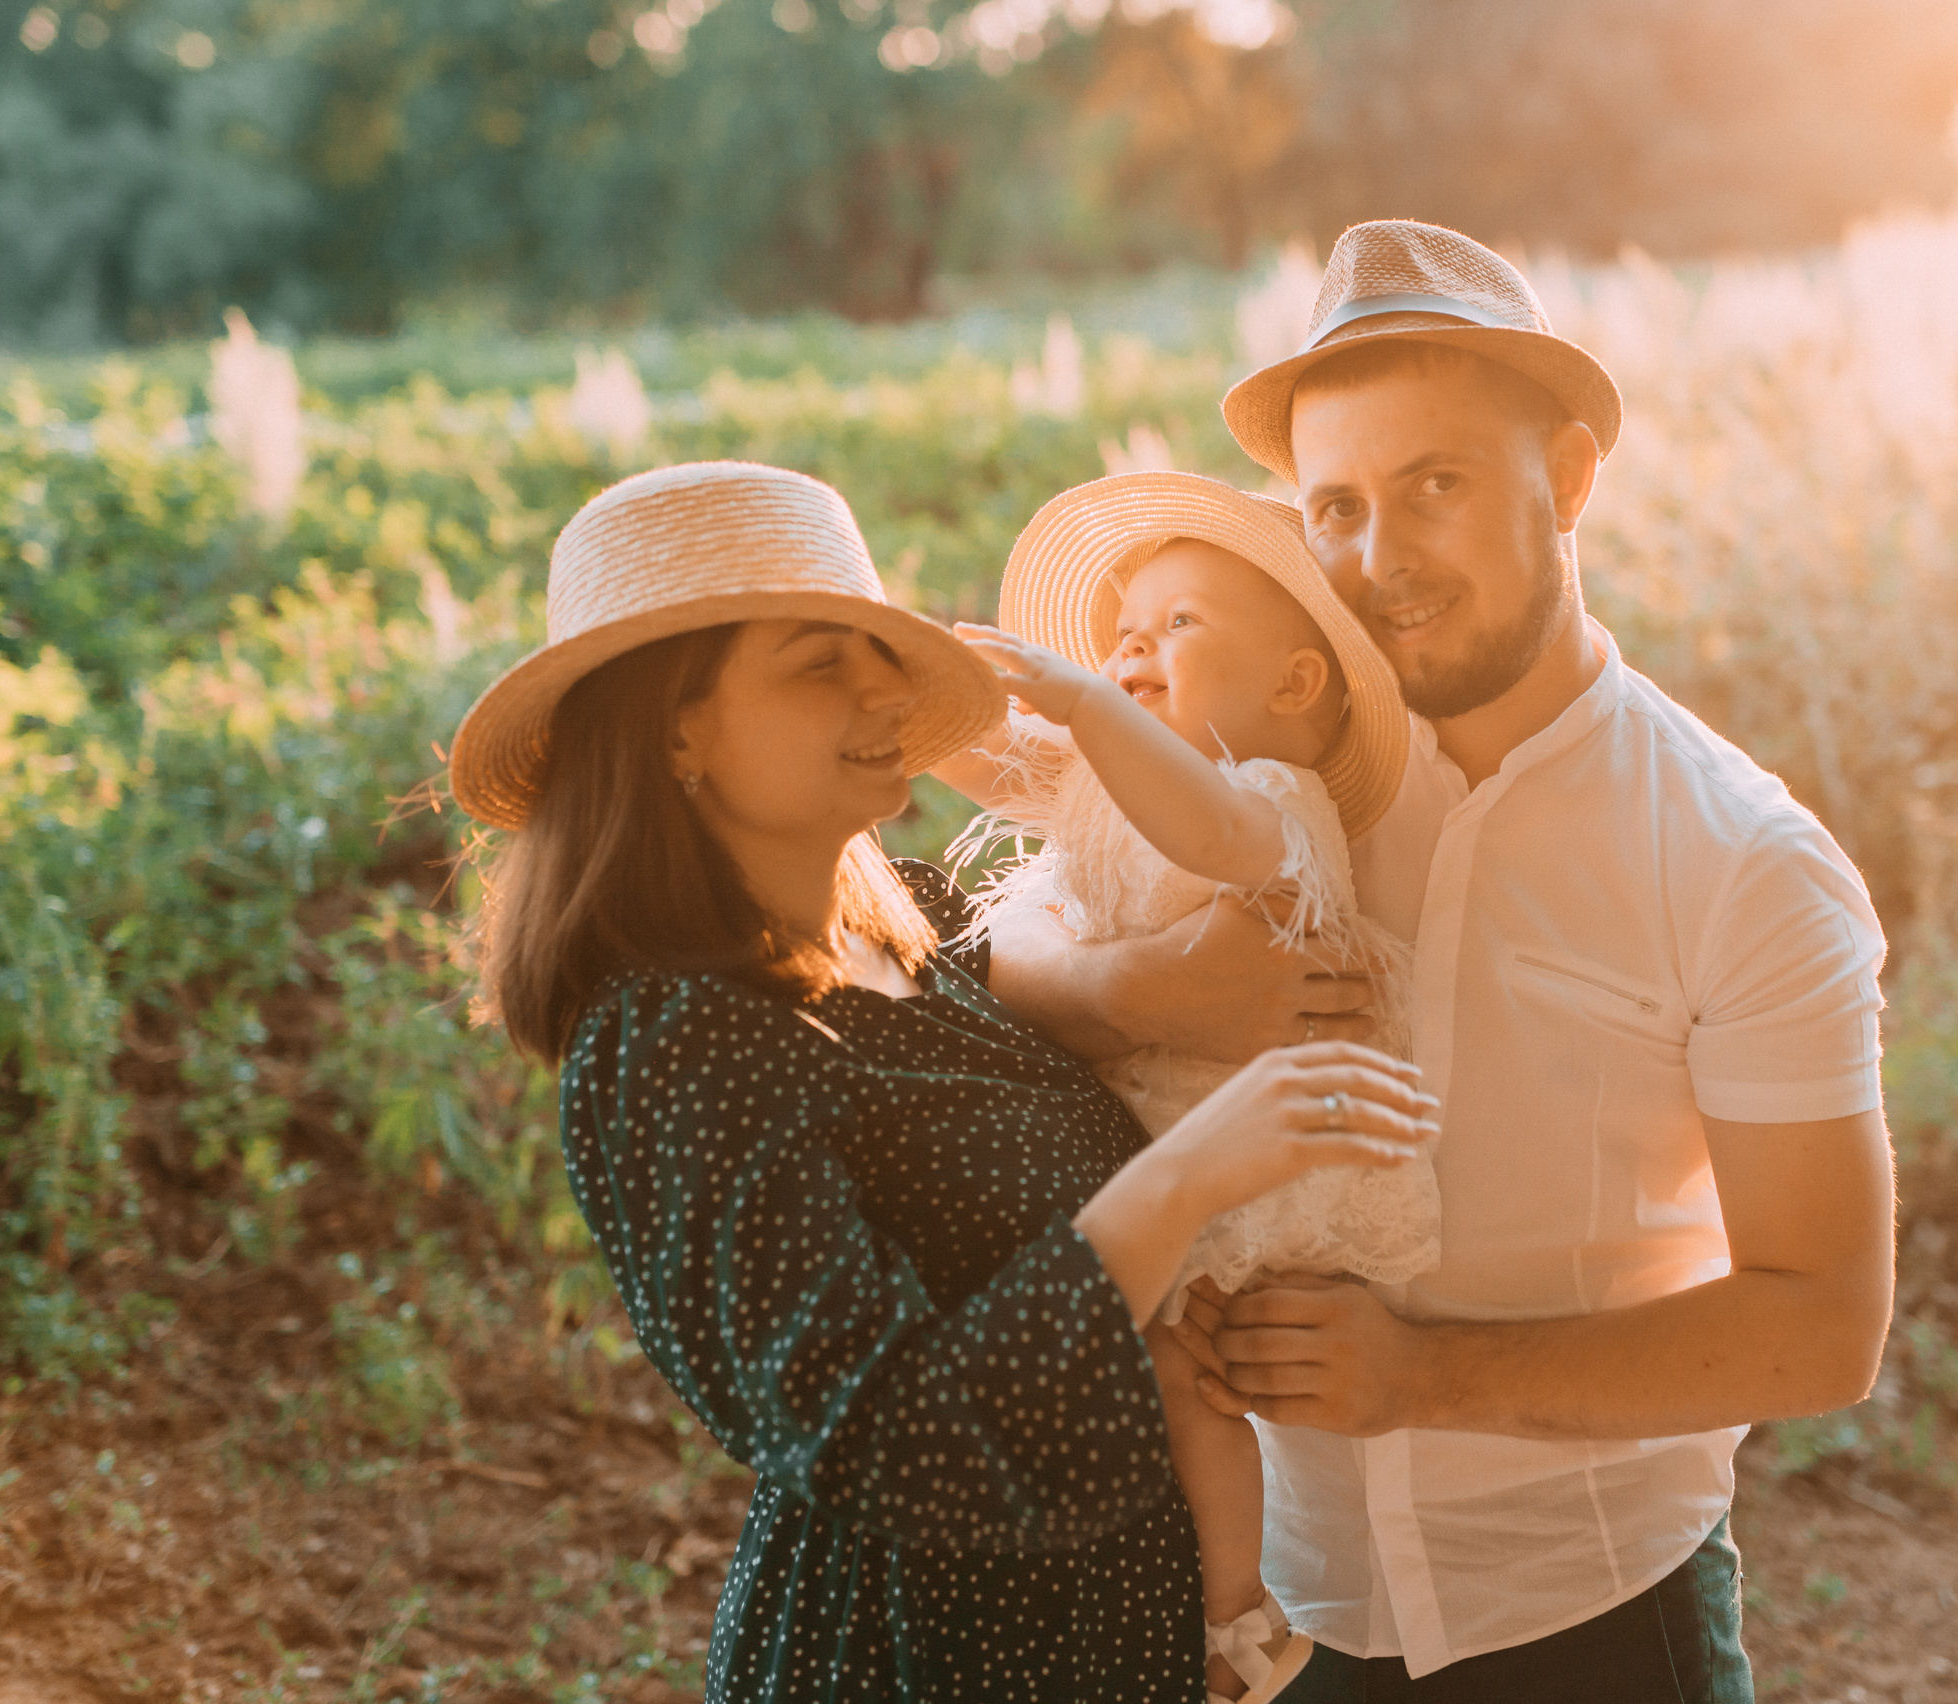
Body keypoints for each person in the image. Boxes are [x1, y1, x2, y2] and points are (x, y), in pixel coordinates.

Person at [989, 223, 1898, 1702]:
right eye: (1334, 506)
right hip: (1283, 1619)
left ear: (1573, 477)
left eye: (1436, 487)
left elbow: (1821, 1325)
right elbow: (1019, 927)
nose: (1379, 558)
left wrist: (1426, 1380)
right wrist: (1138, 995)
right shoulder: (1279, 767)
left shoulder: (1742, 857)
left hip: (1595, 1620)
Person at [444, 459, 1441, 1704]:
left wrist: (1150, 992)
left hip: (1115, 1638)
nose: (888, 690)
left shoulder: (919, 924)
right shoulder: (676, 1046)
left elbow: (1045, 943)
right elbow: (886, 1435)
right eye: (821, 663)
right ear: (674, 728)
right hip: (922, 1660)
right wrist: (1190, 1173)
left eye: (882, 651)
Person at [934, 471, 1437, 1704]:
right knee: (1158, 1361)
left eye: (1177, 627)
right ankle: (1192, 1592)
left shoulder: (1270, 800)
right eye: (1124, 630)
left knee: (1183, 1366)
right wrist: (918, 699)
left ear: (1293, 683)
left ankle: (1231, 1616)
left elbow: (1197, 831)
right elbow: (1008, 776)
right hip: (1158, 1134)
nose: (1130, 649)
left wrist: (1090, 708)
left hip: (1249, 1155)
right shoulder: (1123, 781)